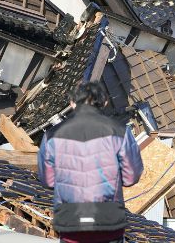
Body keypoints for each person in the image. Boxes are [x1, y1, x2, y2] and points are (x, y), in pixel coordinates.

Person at [38, 82, 144, 243]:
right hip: (107, 221)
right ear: (105, 102)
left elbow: (48, 180)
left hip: (71, 221)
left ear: (72, 103)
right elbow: (131, 178)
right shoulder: (120, 132)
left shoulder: (52, 135)